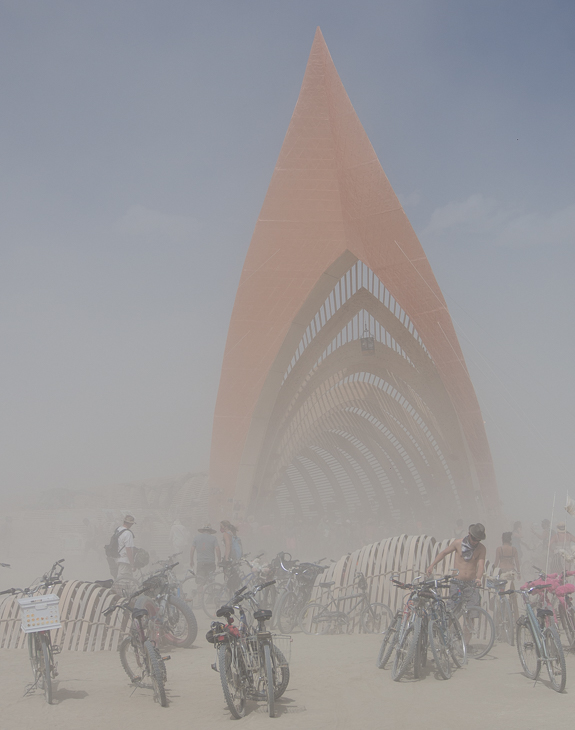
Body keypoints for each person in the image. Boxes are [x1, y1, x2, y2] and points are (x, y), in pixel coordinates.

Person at [426, 523, 487, 638]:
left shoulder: (481, 549)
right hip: (457, 582)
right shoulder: (458, 543)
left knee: (471, 614)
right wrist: (432, 565)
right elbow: (443, 553)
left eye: (478, 540)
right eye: (474, 539)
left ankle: (466, 643)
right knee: (451, 610)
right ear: (469, 535)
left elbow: (481, 565)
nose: (475, 542)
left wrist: (478, 578)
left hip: (471, 583)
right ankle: (445, 636)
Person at [115, 515, 136, 586]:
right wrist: (132, 563)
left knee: (126, 580)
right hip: (125, 561)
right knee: (123, 582)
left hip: (119, 558)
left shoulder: (118, 530)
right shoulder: (128, 533)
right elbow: (128, 549)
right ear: (130, 523)